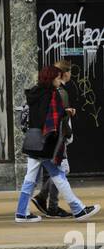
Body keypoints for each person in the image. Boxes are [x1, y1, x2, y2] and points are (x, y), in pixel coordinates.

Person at [15, 66, 99, 222]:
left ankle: (21, 212)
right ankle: (78, 209)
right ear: (52, 78)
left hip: (33, 140)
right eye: (58, 78)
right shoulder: (52, 95)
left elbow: (36, 116)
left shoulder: (34, 92)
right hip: (47, 142)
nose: (60, 81)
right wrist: (66, 113)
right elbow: (52, 120)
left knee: (30, 178)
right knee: (59, 176)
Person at [33, 59, 76, 219]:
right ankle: (51, 204)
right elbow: (61, 118)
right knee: (62, 170)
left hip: (51, 136)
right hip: (59, 137)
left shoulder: (47, 92)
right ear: (64, 73)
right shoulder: (60, 92)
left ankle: (44, 198)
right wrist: (67, 134)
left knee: (57, 170)